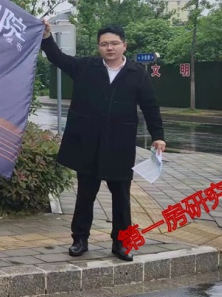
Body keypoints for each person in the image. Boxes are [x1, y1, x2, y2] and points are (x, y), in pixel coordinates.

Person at [40, 20, 166, 262]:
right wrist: (46, 37)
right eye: (104, 44)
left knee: (121, 197)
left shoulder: (137, 73)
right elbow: (58, 58)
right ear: (98, 47)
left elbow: (150, 106)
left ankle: (121, 243)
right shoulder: (86, 67)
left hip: (120, 145)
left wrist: (158, 136)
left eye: (114, 43)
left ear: (124, 45)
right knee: (85, 195)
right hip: (88, 143)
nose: (109, 48)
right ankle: (80, 239)